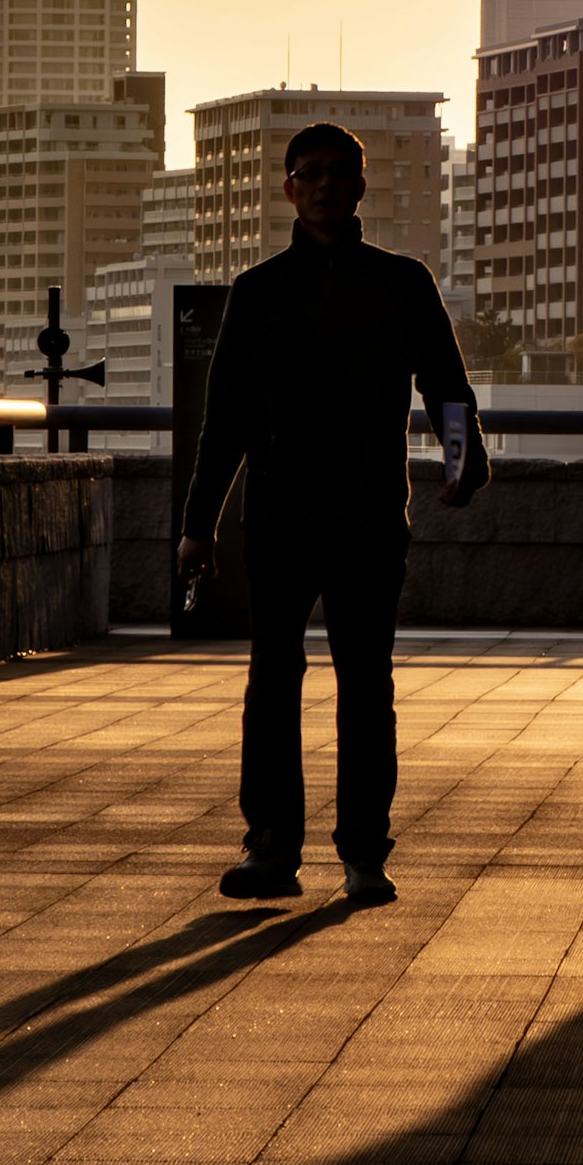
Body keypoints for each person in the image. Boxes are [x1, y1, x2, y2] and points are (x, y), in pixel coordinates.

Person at [179, 121, 486, 907]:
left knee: (365, 686)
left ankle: (364, 854)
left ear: (358, 187)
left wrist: (463, 459)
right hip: (277, 518)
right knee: (271, 685)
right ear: (287, 188)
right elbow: (225, 420)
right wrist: (197, 523)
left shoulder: (401, 282)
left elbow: (447, 385)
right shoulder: (259, 292)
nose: (322, 185)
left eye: (336, 173)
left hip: (368, 515)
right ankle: (272, 851)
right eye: (307, 173)